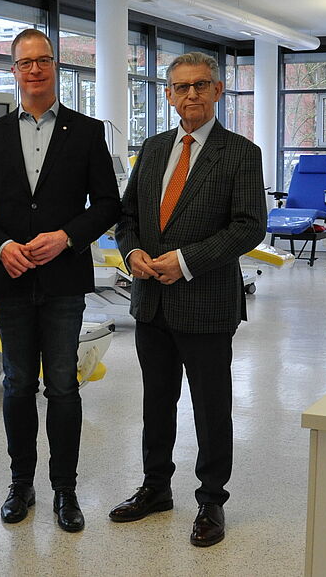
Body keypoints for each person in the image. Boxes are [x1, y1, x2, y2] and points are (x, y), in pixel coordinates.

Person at [108, 51, 266, 547]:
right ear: (169, 94)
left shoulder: (240, 152)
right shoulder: (153, 150)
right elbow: (127, 215)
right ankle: (156, 488)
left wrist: (186, 261)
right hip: (152, 301)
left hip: (206, 302)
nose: (191, 94)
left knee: (210, 407)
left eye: (201, 85)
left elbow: (249, 226)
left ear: (218, 91)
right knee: (157, 402)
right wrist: (131, 250)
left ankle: (211, 500)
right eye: (181, 87)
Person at [0, 28, 121, 533]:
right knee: (15, 386)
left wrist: (67, 237)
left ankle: (65, 490)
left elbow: (106, 205)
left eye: (44, 61)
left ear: (56, 67)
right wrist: (2, 246)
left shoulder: (86, 131)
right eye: (25, 62)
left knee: (62, 387)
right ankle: (21, 484)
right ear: (13, 71)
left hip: (62, 281)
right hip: (11, 278)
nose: (34, 70)